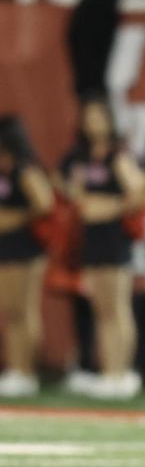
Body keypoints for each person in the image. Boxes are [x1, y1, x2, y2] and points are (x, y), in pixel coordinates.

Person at [59, 94, 145, 399]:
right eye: (88, 116)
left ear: (110, 120)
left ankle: (121, 373)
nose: (92, 122)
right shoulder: (82, 157)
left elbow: (140, 193)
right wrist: (81, 199)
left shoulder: (117, 156)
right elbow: (63, 184)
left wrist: (111, 206)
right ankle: (108, 370)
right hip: (91, 239)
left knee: (117, 307)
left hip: (113, 239)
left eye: (98, 115)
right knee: (100, 309)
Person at [0, 117, 53, 397]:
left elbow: (44, 203)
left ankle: (27, 371)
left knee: (24, 311)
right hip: (6, 249)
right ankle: (15, 368)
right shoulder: (5, 171)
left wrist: (16, 219)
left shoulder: (24, 169)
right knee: (11, 312)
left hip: (25, 249)